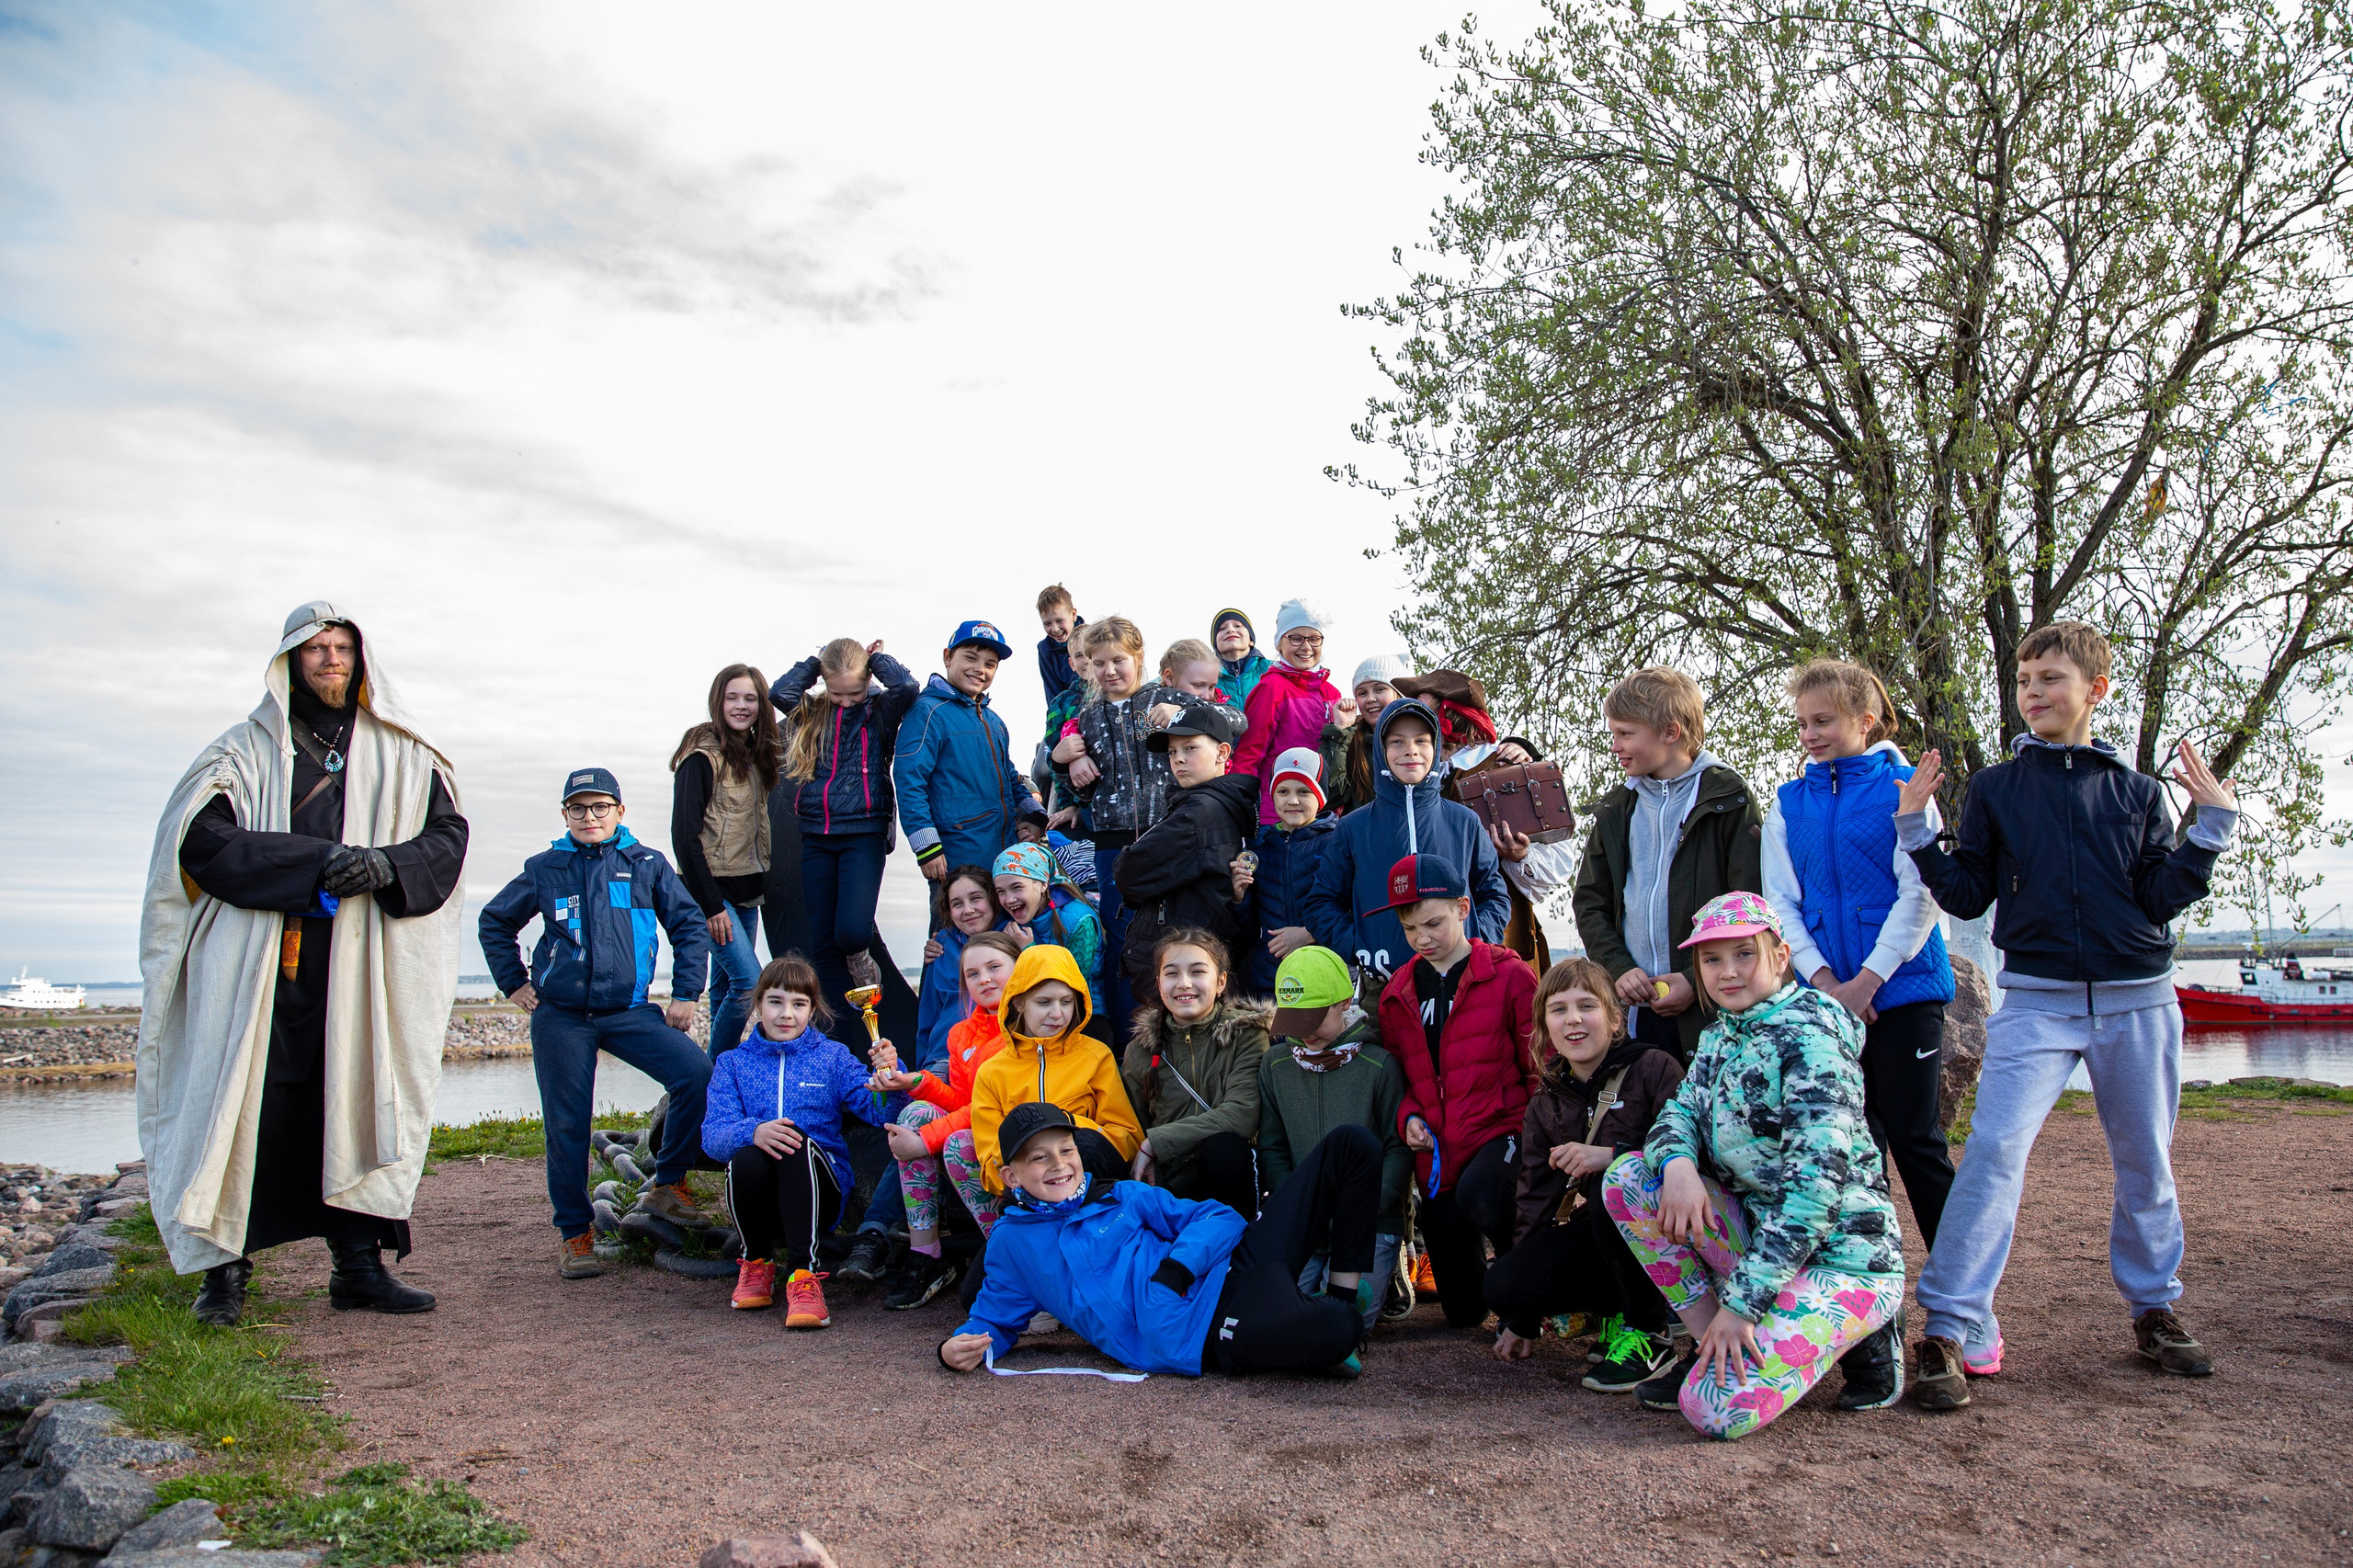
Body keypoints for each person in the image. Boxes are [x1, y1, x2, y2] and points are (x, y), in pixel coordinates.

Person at [1896, 621, 2238, 1410]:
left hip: (2139, 1001)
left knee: (2145, 1162)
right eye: (2024, 681)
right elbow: (1968, 892)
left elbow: (2159, 896)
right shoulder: (1997, 788)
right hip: (2038, 1004)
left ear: (2095, 691)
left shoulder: (2140, 792)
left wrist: (2209, 832)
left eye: (2051, 678)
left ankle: (2155, 1310)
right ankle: (1950, 1326)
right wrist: (1919, 834)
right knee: (1992, 1154)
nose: (2035, 692)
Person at [143, 601, 465, 1326]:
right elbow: (202, 843)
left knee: (351, 1101)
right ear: (290, 660)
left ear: (361, 659)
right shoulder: (239, 753)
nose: (329, 660)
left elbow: (446, 840)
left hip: (359, 967)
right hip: (256, 967)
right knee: (235, 1106)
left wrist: (383, 863)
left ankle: (359, 1268)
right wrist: (320, 863)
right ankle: (221, 1279)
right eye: (315, 649)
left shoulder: (408, 755)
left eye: (341, 648)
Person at [1602, 892, 1907, 1439]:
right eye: (1712, 960)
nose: (1728, 973)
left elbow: (1814, 1194)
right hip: (1764, 1241)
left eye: (1744, 954)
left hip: (1844, 1255)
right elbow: (1677, 1115)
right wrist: (1678, 1166)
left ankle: (1868, 1331)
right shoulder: (1721, 1036)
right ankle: (1705, 1345)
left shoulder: (1810, 1039)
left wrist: (1741, 1309)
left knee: (1715, 1411)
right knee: (1630, 1179)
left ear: (1780, 956)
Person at [938, 1104, 1380, 1380]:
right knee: (1338, 1329)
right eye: (1039, 1158)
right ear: (1011, 1177)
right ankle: (1333, 1315)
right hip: (1199, 1331)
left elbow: (1217, 1215)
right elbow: (993, 1320)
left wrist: (1179, 1268)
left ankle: (1341, 1294)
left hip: (1234, 1263)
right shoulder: (1012, 1245)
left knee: (1352, 1144)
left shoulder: (1121, 1193)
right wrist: (954, 1348)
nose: (1060, 1165)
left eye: (1066, 1150)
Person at [480, 767, 714, 1281]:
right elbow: (495, 921)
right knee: (567, 1123)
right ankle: (575, 1234)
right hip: (561, 1018)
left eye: (600, 807)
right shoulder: (545, 868)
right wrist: (513, 983)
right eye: (579, 808)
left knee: (697, 1076)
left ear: (619, 812)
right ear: (566, 815)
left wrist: (685, 992)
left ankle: (667, 1184)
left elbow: (689, 924)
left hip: (630, 1011)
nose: (590, 817)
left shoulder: (647, 864)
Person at [1761, 660, 1956, 1249]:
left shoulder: (1904, 791)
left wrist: (1866, 984)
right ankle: (1866, 1295)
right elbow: (1781, 902)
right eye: (1802, 724)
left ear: (1865, 720)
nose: (1810, 734)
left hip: (1903, 991)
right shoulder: (1789, 803)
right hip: (1825, 997)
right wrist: (1824, 985)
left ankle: (1960, 1297)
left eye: (1823, 720)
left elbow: (1921, 893)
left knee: (1916, 1138)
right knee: (1849, 1145)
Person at [1483, 958, 1684, 1392]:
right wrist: (1524, 1315)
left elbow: (1691, 1156)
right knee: (1503, 1286)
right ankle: (1611, 1309)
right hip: (1597, 1235)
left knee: (1616, 1184)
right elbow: (1534, 1198)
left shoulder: (1654, 1069)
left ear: (1614, 1018)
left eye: (1586, 1006)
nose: (1573, 1020)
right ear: (1544, 1027)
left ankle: (1649, 1330)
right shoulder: (1547, 1100)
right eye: (1558, 1010)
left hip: (1666, 1232)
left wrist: (1613, 1156)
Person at [703, 955, 907, 1331]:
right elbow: (713, 1136)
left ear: (812, 1009)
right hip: (760, 1204)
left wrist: (892, 1076)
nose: (787, 1014)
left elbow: (880, 1113)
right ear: (758, 1004)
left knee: (793, 1140)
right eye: (776, 1002)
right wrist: (754, 1132)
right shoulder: (732, 1064)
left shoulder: (832, 1057)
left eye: (799, 1004)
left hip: (819, 1196)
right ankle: (756, 1263)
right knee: (749, 1153)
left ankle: (803, 1276)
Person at [1571, 667, 1763, 1063]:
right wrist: (1619, 969)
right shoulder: (1617, 808)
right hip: (1635, 1011)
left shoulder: (1729, 798)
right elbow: (1590, 901)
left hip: (1713, 1009)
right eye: (1613, 734)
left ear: (1670, 732)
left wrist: (1697, 982)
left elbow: (1750, 905)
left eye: (1625, 734)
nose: (1615, 746)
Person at [1381, 852, 1540, 1329]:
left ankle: (1529, 1283)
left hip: (1502, 1131)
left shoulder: (1510, 975)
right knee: (1465, 1312)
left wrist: (1540, 1142)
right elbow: (1408, 1081)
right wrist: (1409, 1117)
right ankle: (1491, 1284)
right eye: (1410, 930)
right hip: (1440, 1155)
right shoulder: (1397, 993)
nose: (1422, 939)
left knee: (1485, 1197)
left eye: (1433, 923)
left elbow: (1539, 1069)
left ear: (1463, 908)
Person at [1052, 616, 1225, 1040]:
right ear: (1087, 667)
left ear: (1139, 658)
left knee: (1175, 936)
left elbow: (1231, 722)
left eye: (1119, 660)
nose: (1109, 670)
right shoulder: (1086, 718)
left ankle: (1186, 1034)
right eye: (1099, 662)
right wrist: (1064, 760)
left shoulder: (1165, 698)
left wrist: (1185, 710)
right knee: (1122, 940)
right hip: (1112, 846)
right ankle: (1130, 1043)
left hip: (1166, 836)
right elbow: (1069, 787)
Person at [1305, 698, 1510, 1020]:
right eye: (1397, 742)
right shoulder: (1353, 827)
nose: (1410, 751)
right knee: (1393, 1069)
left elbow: (1493, 892)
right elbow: (1321, 901)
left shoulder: (1464, 821)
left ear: (1436, 747)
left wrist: (1478, 937)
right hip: (1384, 988)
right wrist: (1359, 946)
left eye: (1421, 741)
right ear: (1381, 751)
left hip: (1465, 983)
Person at [1257, 945, 1413, 1332]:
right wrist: (1300, 1207)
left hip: (1371, 1224)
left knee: (1341, 1324)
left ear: (1344, 1003)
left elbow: (1398, 1150)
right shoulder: (1275, 1064)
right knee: (1280, 1318)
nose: (1304, 1032)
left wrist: (1358, 1213)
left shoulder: (1381, 1065)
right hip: (1306, 1223)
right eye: (1294, 1018)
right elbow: (1272, 1146)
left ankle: (1388, 1269)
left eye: (1314, 1018)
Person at [866, 930, 1024, 1310]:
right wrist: (914, 1082)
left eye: (994, 967)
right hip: (973, 1124)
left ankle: (1007, 1252)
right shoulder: (961, 1033)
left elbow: (992, 1108)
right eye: (972, 974)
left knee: (955, 1142)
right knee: (915, 1112)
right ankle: (927, 1254)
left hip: (1011, 1137)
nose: (983, 979)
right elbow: (961, 1101)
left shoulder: (1025, 1030)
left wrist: (925, 1141)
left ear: (1020, 969)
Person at [771, 638, 921, 1028]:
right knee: (822, 942)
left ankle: (860, 962)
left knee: (852, 931)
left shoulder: (879, 711)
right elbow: (778, 692)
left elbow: (906, 687)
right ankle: (836, 1032)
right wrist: (815, 664)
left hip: (863, 829)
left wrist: (875, 659)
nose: (845, 702)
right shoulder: (813, 713)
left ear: (867, 682)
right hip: (816, 832)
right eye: (836, 693)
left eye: (853, 692)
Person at [1395, 668, 1574, 971]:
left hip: (1499, 940)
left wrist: (1521, 854)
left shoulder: (1506, 768)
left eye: (1425, 705)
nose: (1414, 713)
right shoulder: (1411, 769)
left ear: (1450, 714)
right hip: (1424, 939)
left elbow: (1560, 857)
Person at [967, 943, 1143, 1200]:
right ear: (1018, 1002)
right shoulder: (992, 1072)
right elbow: (990, 1163)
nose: (1057, 1014)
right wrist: (1031, 1159)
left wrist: (1065, 1124)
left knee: (1081, 1147)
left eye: (1066, 1002)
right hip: (1026, 1187)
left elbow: (1126, 1137)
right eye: (1044, 1002)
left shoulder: (1096, 1056)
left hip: (1092, 1182)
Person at [670, 663, 783, 1059]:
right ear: (718, 701)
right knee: (751, 982)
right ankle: (714, 1076)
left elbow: (791, 700)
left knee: (725, 989)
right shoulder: (701, 759)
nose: (741, 706)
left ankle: (714, 1084)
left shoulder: (756, 755)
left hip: (747, 892)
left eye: (750, 698)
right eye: (732, 697)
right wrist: (711, 905)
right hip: (711, 893)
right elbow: (684, 838)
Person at [1112, 708, 1261, 1000]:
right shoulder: (1213, 805)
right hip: (1194, 964)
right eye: (1172, 752)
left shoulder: (1199, 813)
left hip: (1181, 971)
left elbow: (1126, 873)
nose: (1178, 759)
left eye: (1190, 747)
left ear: (1222, 752)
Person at [1121, 929, 1269, 1215]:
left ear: (1220, 982)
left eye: (1197, 971)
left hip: (1227, 1177)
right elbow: (1136, 1123)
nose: (1184, 983)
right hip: (1168, 1179)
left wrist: (1157, 1141)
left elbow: (1242, 1115)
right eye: (1172, 973)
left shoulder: (1246, 1034)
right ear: (1159, 983)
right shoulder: (1140, 1050)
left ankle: (1235, 1249)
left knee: (1223, 1147)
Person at [895, 618, 1044, 889]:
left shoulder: (994, 720)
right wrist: (926, 847)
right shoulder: (927, 712)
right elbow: (909, 781)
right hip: (955, 857)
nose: (980, 670)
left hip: (1004, 855)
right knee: (954, 928)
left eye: (990, 664)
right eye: (971, 658)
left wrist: (1034, 818)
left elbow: (1010, 778)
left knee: (1000, 931)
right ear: (948, 657)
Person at [1229, 748, 1339, 996]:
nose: (1293, 801)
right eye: (1283, 791)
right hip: (1272, 978)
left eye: (1304, 791)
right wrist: (1239, 897)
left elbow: (1352, 907)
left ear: (1320, 796)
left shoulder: (1338, 842)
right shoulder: (1261, 848)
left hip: (1326, 974)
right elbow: (1249, 927)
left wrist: (1310, 933)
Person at [1231, 599, 1342, 826]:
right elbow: (1250, 753)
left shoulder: (1332, 693)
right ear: (1280, 644)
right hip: (1275, 817)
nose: (1306, 647)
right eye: (1296, 638)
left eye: (1314, 639)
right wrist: (1240, 809)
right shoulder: (1271, 689)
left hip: (1320, 817)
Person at [992, 843, 1108, 1025]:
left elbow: (1074, 983)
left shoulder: (1080, 919)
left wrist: (1029, 951)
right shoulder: (1009, 922)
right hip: (1032, 1016)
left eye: (1017, 887)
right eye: (1001, 892)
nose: (1009, 899)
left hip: (1084, 1016)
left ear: (1042, 884)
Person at [912, 865, 1001, 1073]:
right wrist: (924, 1067)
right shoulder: (942, 946)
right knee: (922, 1106)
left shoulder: (1013, 940)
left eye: (976, 898)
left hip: (994, 1059)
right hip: (944, 1058)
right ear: (949, 912)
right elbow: (928, 1016)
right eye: (957, 904)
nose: (968, 910)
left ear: (992, 899)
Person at [1321, 653, 1414, 817]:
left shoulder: (1420, 740)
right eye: (1362, 693)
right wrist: (1340, 734)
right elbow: (1329, 798)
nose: (1370, 699)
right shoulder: (1351, 740)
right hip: (1365, 837)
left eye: (1379, 689)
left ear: (1399, 694)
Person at [1211, 608, 1272, 708]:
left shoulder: (1273, 669)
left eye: (1238, 625)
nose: (1230, 630)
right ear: (1216, 645)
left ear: (1251, 640)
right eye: (1222, 628)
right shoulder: (1206, 676)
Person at [1036, 584, 1086, 705]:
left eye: (1060, 621)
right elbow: (1052, 693)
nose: (1055, 629)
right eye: (1047, 624)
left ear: (1073, 615)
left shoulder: (1090, 639)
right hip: (1069, 709)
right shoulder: (1045, 649)